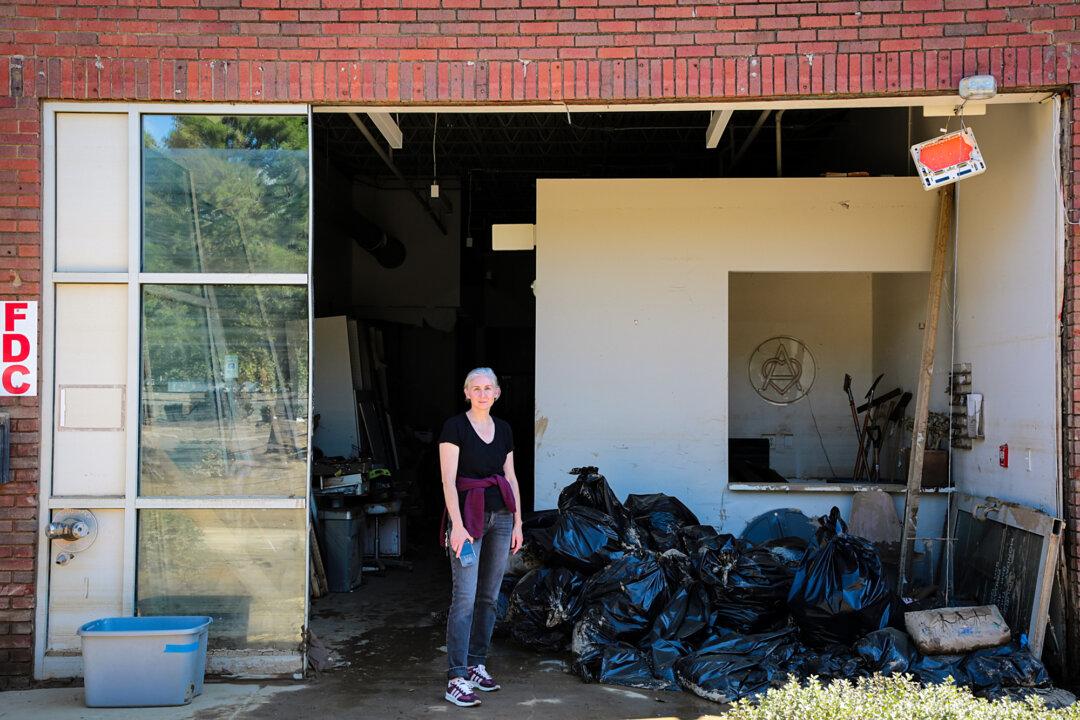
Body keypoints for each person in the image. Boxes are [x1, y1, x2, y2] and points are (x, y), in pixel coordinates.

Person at [439, 367, 523, 707]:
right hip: (467, 519)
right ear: (467, 392)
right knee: (465, 597)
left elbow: (511, 477)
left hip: (501, 516)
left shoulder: (503, 430)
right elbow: (447, 481)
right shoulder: (454, 428)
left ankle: (477, 663)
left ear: (498, 393)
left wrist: (519, 522)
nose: (483, 393)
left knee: (489, 597)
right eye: (476, 388)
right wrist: (457, 526)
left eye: (489, 388)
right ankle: (456, 676)